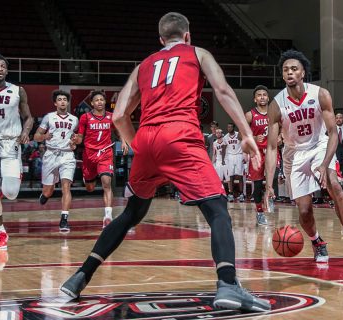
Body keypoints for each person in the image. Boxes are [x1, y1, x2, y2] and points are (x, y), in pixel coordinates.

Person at [60, 12, 270, 312]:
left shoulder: (143, 65)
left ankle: (79, 277)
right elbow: (222, 91)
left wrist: (138, 145)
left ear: (160, 40)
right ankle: (228, 284)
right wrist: (247, 133)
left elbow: (118, 115)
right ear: (187, 35)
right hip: (180, 134)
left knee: (132, 213)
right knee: (217, 211)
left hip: (146, 138)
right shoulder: (198, 53)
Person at [264, 49, 343, 265]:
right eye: (285, 70)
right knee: (304, 210)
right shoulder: (276, 105)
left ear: (303, 73)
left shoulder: (320, 94)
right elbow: (272, 147)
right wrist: (269, 184)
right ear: (282, 75)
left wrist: (324, 164)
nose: (289, 73)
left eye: (294, 69)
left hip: (320, 145)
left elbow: (333, 134)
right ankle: (317, 242)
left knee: (334, 184)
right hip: (294, 154)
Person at [0, 54, 33, 250]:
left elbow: (28, 118)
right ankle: (0, 230)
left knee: (10, 193)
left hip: (11, 142)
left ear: (7, 71)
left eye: (3, 66)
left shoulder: (18, 90)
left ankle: (11, 178)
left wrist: (26, 132)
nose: (0, 68)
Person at [72, 91, 128, 228]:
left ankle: (107, 216)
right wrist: (75, 140)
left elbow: (118, 130)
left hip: (105, 153)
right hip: (89, 154)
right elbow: (80, 136)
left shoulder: (111, 117)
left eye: (102, 100)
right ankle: (88, 179)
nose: (99, 102)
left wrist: (124, 141)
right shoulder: (85, 117)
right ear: (92, 103)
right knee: (90, 188)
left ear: (104, 102)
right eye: (96, 100)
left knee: (106, 183)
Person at [34, 90, 79, 232]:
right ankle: (45, 194)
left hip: (67, 155)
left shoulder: (74, 120)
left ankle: (64, 220)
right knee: (49, 190)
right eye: (59, 99)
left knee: (66, 187)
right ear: (55, 103)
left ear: (68, 102)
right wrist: (44, 136)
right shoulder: (49, 117)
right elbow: (36, 136)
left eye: (65, 99)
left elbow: (75, 139)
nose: (62, 101)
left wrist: (74, 143)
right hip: (51, 154)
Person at [245, 85, 270, 225]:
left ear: (268, 97)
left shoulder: (274, 113)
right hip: (257, 153)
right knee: (258, 184)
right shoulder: (250, 115)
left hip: (272, 150)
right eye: (259, 95)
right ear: (255, 99)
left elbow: (283, 128)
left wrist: (280, 137)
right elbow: (241, 136)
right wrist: (254, 138)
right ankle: (260, 212)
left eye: (264, 95)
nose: (262, 97)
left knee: (276, 178)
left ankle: (270, 198)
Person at [224, 123, 245, 202]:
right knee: (231, 176)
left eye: (230, 127)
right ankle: (231, 194)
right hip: (230, 156)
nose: (229, 128)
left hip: (239, 155)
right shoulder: (225, 137)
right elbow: (224, 148)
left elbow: (243, 144)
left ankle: (241, 194)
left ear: (233, 127)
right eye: (228, 127)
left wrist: (244, 155)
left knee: (240, 175)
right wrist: (224, 159)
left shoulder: (238, 135)